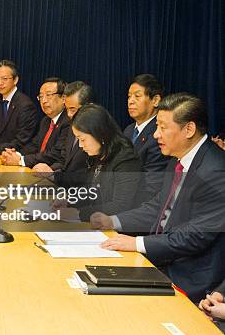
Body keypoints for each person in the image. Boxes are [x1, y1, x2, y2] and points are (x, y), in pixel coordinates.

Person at [91, 94, 225, 303]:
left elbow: (195, 237)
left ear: (189, 129)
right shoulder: (178, 159)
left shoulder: (217, 171)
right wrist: (112, 220)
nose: (155, 135)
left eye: (163, 127)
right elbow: (158, 208)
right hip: (160, 259)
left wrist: (137, 243)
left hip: (188, 276)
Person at [65, 104, 142, 220]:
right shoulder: (98, 153)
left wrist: (78, 213)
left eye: (82, 139)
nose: (81, 146)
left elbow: (120, 206)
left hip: (119, 231)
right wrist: (68, 201)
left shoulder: (126, 160)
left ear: (99, 133)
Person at [32, 81, 93, 187]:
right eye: (67, 109)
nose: (69, 115)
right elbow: (64, 161)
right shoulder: (72, 127)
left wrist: (52, 175)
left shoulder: (94, 133)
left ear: (88, 107)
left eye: (73, 109)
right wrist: (49, 170)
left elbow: (85, 175)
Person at [1, 77, 69, 167]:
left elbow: (56, 154)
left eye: (48, 95)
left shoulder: (68, 122)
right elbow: (35, 145)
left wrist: (21, 160)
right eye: (41, 96)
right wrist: (16, 155)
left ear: (63, 98)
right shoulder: (45, 121)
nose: (43, 101)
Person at [124, 74, 169, 200]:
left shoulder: (160, 134)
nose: (130, 101)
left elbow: (151, 185)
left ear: (155, 100)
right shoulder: (128, 130)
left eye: (137, 96)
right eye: (129, 96)